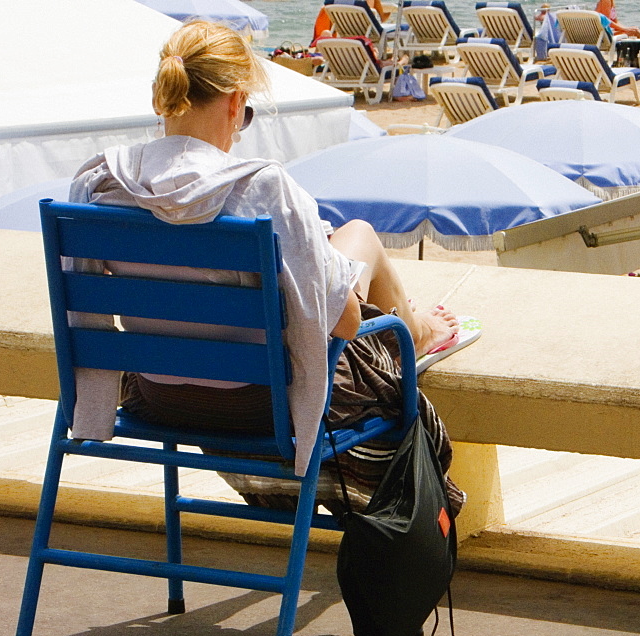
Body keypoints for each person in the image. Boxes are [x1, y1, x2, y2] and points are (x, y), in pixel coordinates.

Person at [67, 21, 464, 515]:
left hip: (159, 395)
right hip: (263, 406)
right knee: (358, 235)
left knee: (342, 250)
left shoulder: (98, 184)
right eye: (246, 113)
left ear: (159, 99)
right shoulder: (262, 189)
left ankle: (414, 322)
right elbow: (344, 324)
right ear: (235, 103)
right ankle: (416, 329)